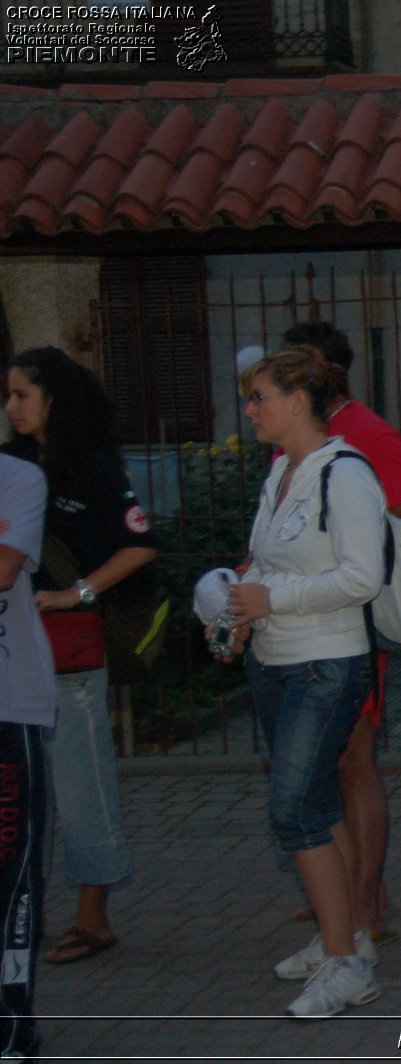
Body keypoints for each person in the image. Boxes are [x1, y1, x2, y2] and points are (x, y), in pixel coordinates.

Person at [223, 346, 389, 1018]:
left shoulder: (344, 473)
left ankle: (347, 964)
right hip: (277, 660)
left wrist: (273, 602)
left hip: (327, 662)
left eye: (260, 396)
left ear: (299, 400)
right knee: (314, 805)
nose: (250, 409)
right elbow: (267, 561)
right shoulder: (283, 472)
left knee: (294, 810)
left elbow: (362, 578)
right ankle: (343, 941)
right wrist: (238, 604)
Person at [279, 321, 401, 945]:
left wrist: (351, 571)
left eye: (301, 368)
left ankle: (365, 902)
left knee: (352, 759)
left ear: (330, 370)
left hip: (354, 624)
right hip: (306, 627)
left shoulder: (368, 434)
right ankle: (346, 886)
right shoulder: (298, 440)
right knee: (322, 762)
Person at [3, 347, 153, 965]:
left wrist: (76, 593)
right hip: (13, 654)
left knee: (81, 787)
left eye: (20, 396)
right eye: (7, 396)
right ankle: (23, 907)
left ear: (52, 401)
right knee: (16, 791)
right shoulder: (9, 464)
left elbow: (140, 547)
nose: (10, 407)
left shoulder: (90, 468)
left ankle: (94, 918)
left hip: (70, 652)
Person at [0, 452, 55, 1059]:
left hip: (9, 706)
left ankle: (13, 1025)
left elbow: (5, 565)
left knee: (12, 876)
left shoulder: (18, 479)